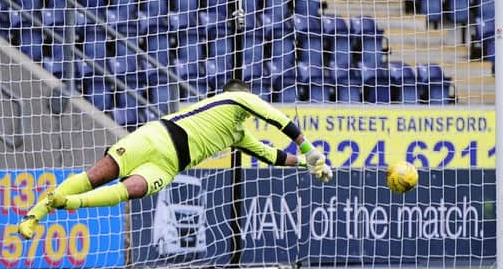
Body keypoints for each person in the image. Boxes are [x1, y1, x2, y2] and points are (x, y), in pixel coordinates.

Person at [18, 79, 333, 239]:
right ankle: (36, 213)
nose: (252, 104)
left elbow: (271, 155)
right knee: (99, 174)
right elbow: (279, 119)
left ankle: (67, 202)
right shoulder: (237, 97)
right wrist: (308, 148)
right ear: (241, 95)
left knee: (132, 190)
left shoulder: (238, 134)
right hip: (157, 136)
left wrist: (305, 163)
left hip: (168, 165)